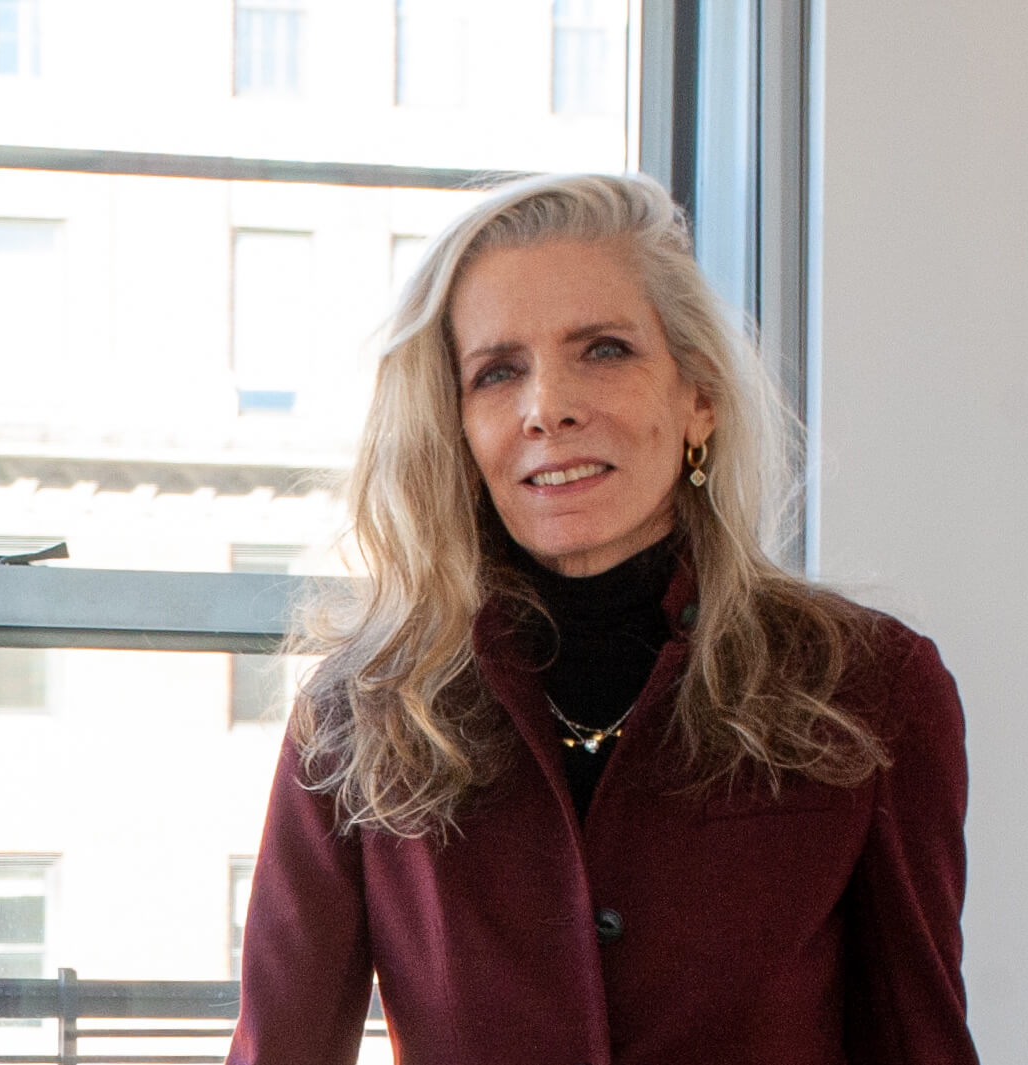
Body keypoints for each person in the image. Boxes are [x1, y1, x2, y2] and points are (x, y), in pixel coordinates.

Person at [226, 173, 979, 1065]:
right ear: (458, 431)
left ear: (697, 397)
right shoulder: (363, 716)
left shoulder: (868, 688)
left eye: (605, 350)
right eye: (498, 372)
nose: (548, 407)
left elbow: (920, 1044)